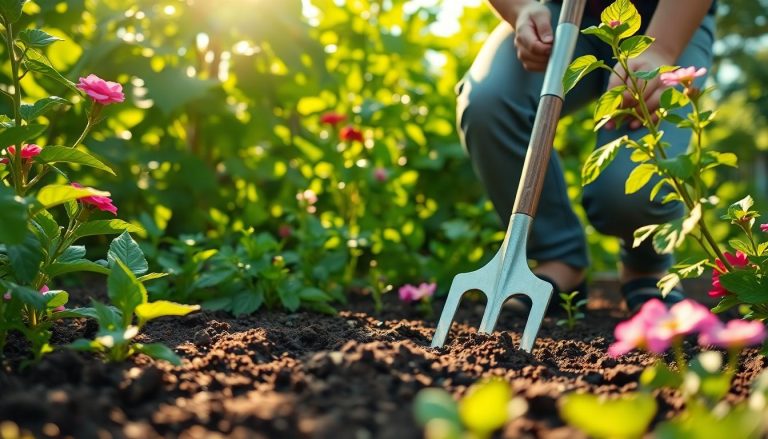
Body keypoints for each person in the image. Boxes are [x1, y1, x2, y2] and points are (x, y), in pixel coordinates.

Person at [456, 0, 716, 311]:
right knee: (488, 102)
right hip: (563, 15)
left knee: (628, 187)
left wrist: (662, 49)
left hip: (667, 20)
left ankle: (646, 266)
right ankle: (558, 257)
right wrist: (519, 7)